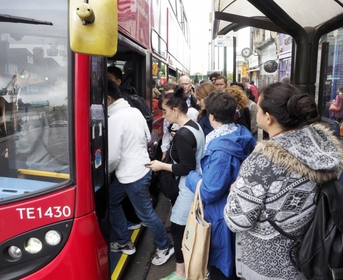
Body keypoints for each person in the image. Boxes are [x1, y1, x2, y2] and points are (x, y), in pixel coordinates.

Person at [223, 82, 343, 280]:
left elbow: (238, 221)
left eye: (259, 108)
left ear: (268, 118)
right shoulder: (324, 144)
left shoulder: (263, 160)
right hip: (312, 252)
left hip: (268, 265)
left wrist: (235, 192)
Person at [186, 91, 256, 280]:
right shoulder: (241, 134)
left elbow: (209, 192)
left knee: (222, 267)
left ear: (212, 116)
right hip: (237, 210)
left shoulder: (220, 149)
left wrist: (191, 176)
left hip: (220, 215)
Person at [107, 80, 174, 265]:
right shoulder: (134, 111)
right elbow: (147, 137)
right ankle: (123, 241)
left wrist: (106, 172)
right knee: (112, 201)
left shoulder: (114, 120)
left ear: (107, 98)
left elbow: (112, 157)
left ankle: (165, 246)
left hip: (130, 175)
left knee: (146, 214)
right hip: (140, 168)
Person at [147, 86, 205, 280]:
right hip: (195, 184)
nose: (163, 116)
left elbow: (185, 168)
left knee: (178, 228)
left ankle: (182, 273)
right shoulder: (194, 127)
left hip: (188, 186)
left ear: (176, 110)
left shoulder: (182, 135)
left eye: (165, 112)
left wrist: (161, 166)